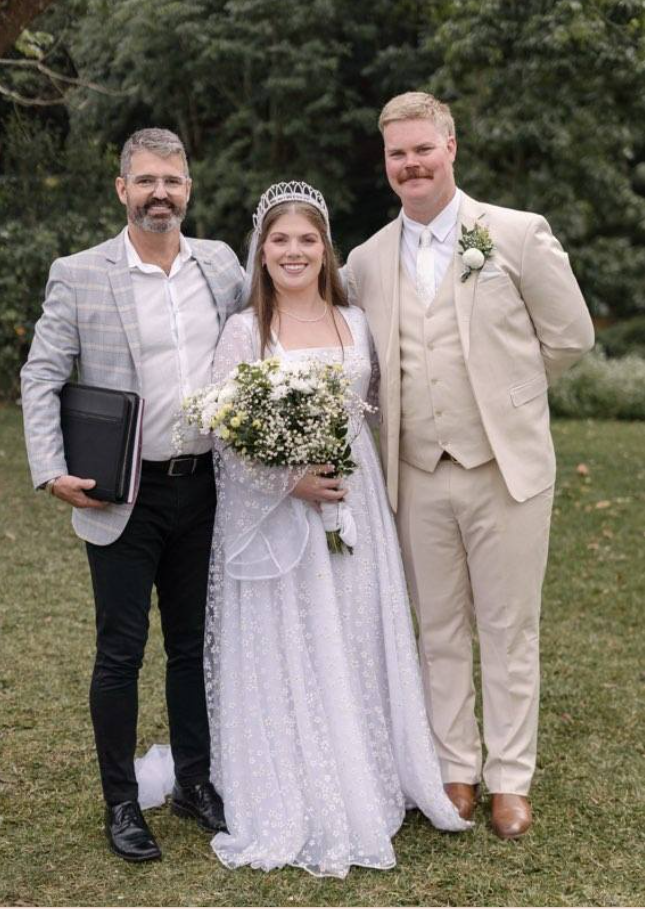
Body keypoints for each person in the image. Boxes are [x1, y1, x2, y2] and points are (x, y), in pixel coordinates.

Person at [178, 180, 469, 878]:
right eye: (280, 239)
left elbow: (369, 415)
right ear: (261, 250)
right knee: (301, 635)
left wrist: (342, 478)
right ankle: (299, 777)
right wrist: (289, 479)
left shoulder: (356, 321)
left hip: (355, 498)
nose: (293, 251)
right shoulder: (245, 330)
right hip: (281, 509)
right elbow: (223, 432)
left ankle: (369, 769)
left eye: (306, 239)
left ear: (325, 248)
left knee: (357, 628)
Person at [345, 92, 595, 838]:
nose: (410, 163)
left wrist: (506, 398)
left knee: (508, 625)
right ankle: (453, 768)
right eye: (397, 153)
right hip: (414, 471)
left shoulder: (514, 235)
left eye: (422, 148)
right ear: (385, 162)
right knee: (438, 628)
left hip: (504, 468)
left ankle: (509, 777)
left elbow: (570, 335)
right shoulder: (364, 260)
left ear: (450, 148)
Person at [20, 128, 244, 862]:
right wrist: (52, 469)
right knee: (120, 651)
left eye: (172, 181)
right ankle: (121, 802)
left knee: (192, 646)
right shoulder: (79, 273)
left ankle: (195, 781)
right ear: (122, 189)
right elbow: (41, 376)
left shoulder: (219, 265)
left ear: (188, 188)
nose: (159, 194)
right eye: (145, 180)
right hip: (120, 492)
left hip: (205, 487)